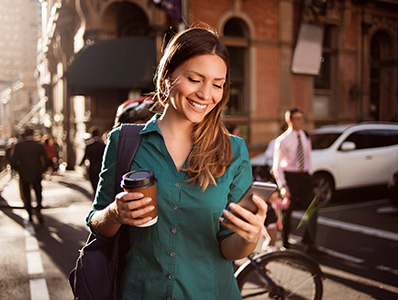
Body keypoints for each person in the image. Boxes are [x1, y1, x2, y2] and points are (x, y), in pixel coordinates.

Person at [86, 26, 268, 299]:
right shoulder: (123, 141)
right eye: (195, 79)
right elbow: (96, 223)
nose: (207, 95)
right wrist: (114, 214)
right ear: (167, 75)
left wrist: (249, 237)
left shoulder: (233, 151)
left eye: (217, 84)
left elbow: (229, 248)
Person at [272, 108, 322, 254]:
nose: (301, 121)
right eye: (297, 118)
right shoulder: (281, 141)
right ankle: (285, 243)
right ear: (290, 121)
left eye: (302, 118)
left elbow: (307, 158)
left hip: (304, 177)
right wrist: (283, 186)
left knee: (313, 208)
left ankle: (309, 243)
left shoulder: (306, 135)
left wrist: (310, 174)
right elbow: (276, 167)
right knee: (288, 212)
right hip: (290, 177)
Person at [11, 127, 49, 223]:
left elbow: (13, 160)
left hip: (24, 173)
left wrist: (18, 169)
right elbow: (46, 159)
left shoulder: (19, 146)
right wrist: (43, 169)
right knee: (38, 192)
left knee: (26, 194)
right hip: (37, 172)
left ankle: (29, 213)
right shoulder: (38, 145)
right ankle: (38, 209)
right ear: (32, 134)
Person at [79, 129, 106, 193]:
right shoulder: (103, 145)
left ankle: (95, 194)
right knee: (100, 183)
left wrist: (81, 163)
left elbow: (85, 156)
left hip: (92, 168)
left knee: (94, 184)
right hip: (101, 167)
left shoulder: (89, 145)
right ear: (99, 135)